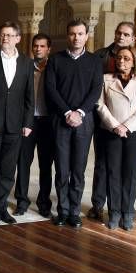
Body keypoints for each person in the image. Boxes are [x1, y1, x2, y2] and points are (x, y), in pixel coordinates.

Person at [44, 20, 103, 228]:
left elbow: (96, 89)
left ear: (86, 36)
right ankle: (62, 211)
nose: (76, 37)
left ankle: (75, 212)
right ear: (67, 36)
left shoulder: (95, 61)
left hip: (84, 123)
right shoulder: (55, 60)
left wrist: (79, 112)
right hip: (60, 121)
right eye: (72, 34)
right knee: (62, 169)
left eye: (80, 33)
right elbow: (50, 89)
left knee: (78, 170)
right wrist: (68, 112)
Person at [88, 21, 136, 221]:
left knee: (127, 169)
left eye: (126, 34)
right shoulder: (100, 55)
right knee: (103, 165)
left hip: (132, 127)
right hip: (104, 123)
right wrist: (112, 124)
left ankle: (124, 210)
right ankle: (98, 205)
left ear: (133, 39)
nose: (121, 36)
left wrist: (126, 126)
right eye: (118, 33)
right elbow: (96, 90)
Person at [0, 22, 34, 224]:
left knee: (8, 170)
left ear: (18, 38)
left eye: (10, 35)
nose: (5, 39)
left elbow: (30, 96)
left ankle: (1, 207)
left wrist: (28, 123)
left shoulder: (27, 63)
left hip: (15, 124)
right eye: (2, 35)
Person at [14, 34, 55, 218]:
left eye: (42, 46)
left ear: (49, 49)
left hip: (47, 122)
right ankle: (21, 201)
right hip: (28, 121)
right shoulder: (24, 67)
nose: (38, 49)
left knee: (46, 165)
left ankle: (44, 202)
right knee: (23, 162)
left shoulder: (54, 68)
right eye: (35, 46)